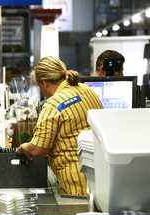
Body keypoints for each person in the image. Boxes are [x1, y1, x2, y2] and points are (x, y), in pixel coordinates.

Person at [16, 56, 103, 196]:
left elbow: (38, 150)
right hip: (101, 180)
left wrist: (23, 147)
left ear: (44, 83)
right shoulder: (88, 91)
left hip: (76, 187)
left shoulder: (53, 105)